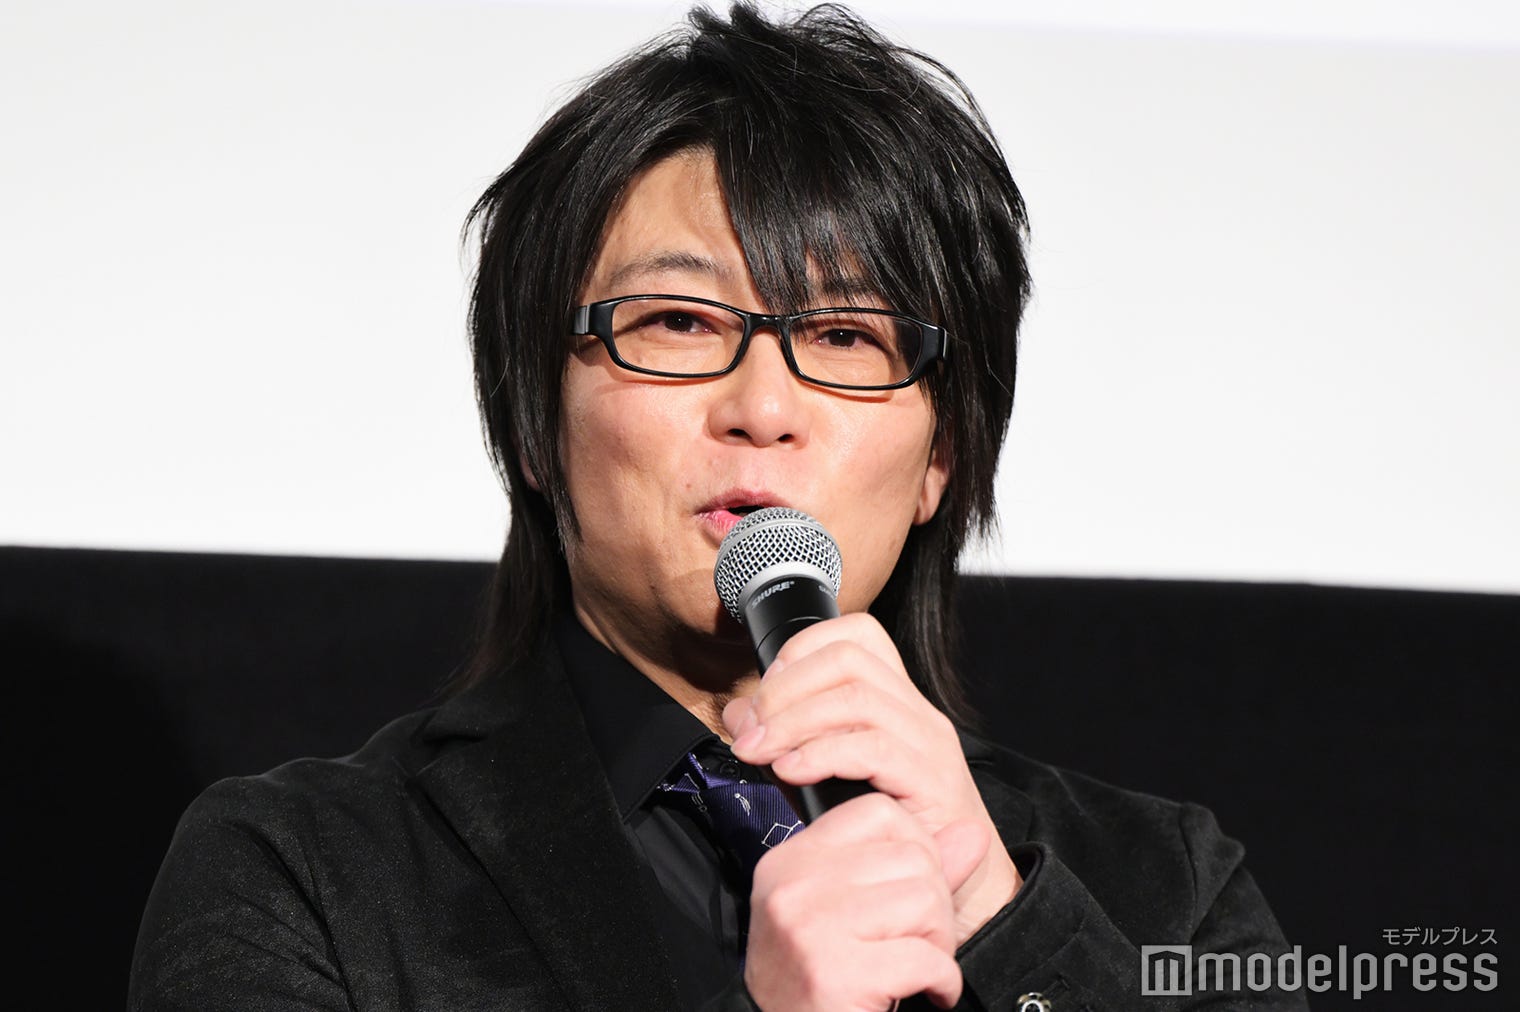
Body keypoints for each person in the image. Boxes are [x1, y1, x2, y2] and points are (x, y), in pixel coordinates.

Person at [130, 4, 1301, 1009]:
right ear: (534, 421)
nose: (763, 407)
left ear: (940, 455)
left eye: (844, 336)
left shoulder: (1165, 886)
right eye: (679, 323)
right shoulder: (308, 872)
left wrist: (999, 920)